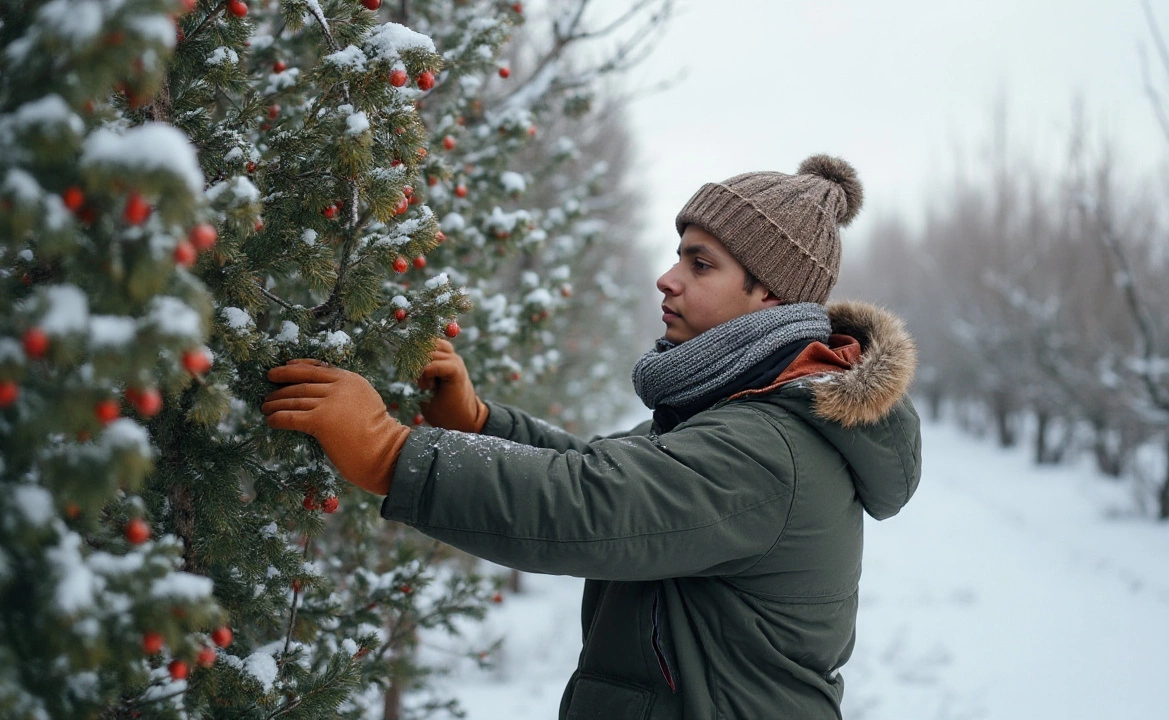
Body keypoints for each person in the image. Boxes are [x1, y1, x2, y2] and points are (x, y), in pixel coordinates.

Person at [261, 154, 922, 720]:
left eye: (701, 263)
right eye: (677, 254)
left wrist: (388, 453)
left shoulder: (768, 450)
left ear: (770, 300)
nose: (669, 278)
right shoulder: (736, 414)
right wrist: (483, 424)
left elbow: (597, 504)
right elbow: (609, 467)